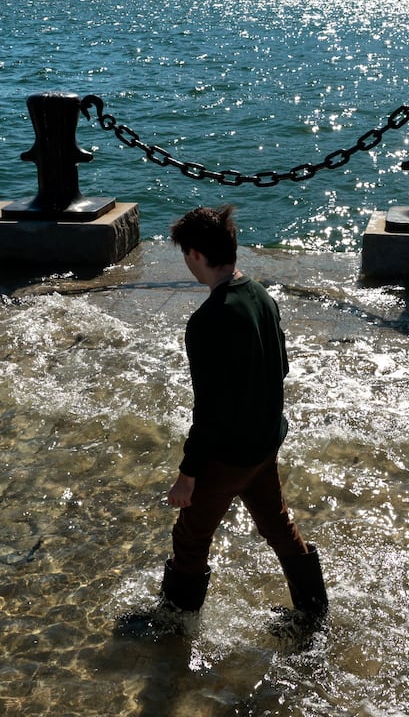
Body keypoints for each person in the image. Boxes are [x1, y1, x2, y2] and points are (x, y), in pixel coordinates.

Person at [117, 205, 327, 635]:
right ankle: (312, 615)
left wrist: (188, 476)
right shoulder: (262, 296)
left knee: (191, 537)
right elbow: (281, 367)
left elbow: (208, 411)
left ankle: (174, 626)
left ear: (194, 254)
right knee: (277, 525)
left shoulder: (207, 320)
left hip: (230, 454)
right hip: (265, 442)